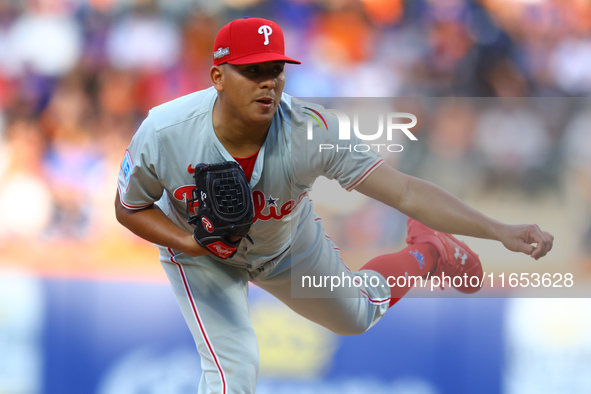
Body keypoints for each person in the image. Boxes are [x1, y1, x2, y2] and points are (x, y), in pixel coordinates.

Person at [115, 17, 554, 393]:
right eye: (252, 71)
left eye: (276, 69)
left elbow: (403, 192)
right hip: (201, 252)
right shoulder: (165, 129)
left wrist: (500, 230)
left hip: (285, 243)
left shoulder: (311, 130)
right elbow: (129, 208)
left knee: (356, 316)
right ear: (218, 77)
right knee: (234, 368)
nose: (268, 81)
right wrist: (187, 243)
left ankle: (429, 251)